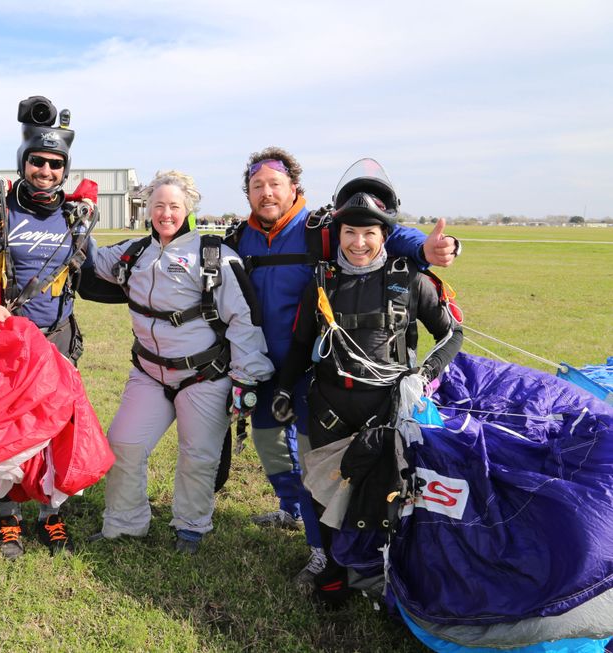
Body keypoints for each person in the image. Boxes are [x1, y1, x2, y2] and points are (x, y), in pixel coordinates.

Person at [226, 147, 460, 586]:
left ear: (294, 187)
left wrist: (427, 248)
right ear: (248, 193)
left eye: (275, 183)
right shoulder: (241, 237)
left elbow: (382, 230)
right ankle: (291, 510)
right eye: (257, 185)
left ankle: (325, 551)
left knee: (322, 463)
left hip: (317, 370)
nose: (266, 192)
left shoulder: (321, 228)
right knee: (269, 445)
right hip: (264, 366)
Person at [86, 170, 274, 554]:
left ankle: (191, 527)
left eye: (174, 206)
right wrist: (74, 217)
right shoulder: (133, 252)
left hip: (204, 376)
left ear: (189, 207)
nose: (166, 214)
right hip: (149, 374)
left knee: (198, 456)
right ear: (147, 209)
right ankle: (124, 523)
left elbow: (244, 318)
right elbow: (85, 257)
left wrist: (246, 378)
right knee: (123, 442)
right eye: (158, 206)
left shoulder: (215, 257)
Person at [0, 95, 91, 558]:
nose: (45, 171)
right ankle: (9, 515)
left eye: (55, 163)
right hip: (5, 343)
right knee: (7, 428)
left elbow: (92, 273)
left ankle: (50, 513)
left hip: (56, 342)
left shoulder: (73, 215)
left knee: (53, 429)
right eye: (38, 161)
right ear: (23, 162)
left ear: (64, 169)